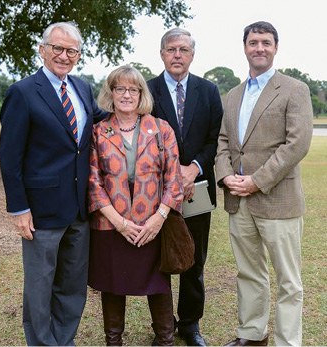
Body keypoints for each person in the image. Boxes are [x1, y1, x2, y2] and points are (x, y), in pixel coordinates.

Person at [0, 22, 107, 345]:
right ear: (43, 49)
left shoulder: (83, 88)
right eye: (57, 48)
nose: (63, 55)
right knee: (40, 286)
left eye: (71, 50)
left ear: (78, 55)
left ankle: (64, 340)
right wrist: (19, 208)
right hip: (41, 210)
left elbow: (102, 120)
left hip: (78, 207)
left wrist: (139, 108)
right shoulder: (23, 92)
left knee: (72, 285)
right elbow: (10, 157)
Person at [215, 21, 313, 346]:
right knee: (248, 272)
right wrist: (226, 175)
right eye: (253, 42)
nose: (259, 48)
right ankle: (252, 335)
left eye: (266, 42)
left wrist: (256, 181)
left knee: (289, 281)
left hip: (278, 200)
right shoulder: (233, 95)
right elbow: (224, 140)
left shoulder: (294, 89)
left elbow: (296, 144)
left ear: (275, 48)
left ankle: (287, 342)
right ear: (244, 47)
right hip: (238, 201)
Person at [88, 64, 183, 346]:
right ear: (111, 92)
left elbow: (174, 179)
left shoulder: (161, 129)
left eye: (133, 89)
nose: (126, 95)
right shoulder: (98, 132)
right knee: (113, 286)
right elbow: (93, 183)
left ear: (141, 94)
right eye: (120, 88)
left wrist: (158, 219)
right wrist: (120, 223)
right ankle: (113, 341)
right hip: (111, 224)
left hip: (152, 222)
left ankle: (165, 340)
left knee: (158, 285)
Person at [147, 28, 223, 346]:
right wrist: (171, 176)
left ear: (193, 54)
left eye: (183, 49)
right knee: (158, 258)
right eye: (171, 49)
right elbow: (141, 139)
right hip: (155, 191)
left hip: (197, 190)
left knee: (194, 259)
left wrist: (192, 170)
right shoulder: (147, 91)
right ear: (161, 54)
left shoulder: (208, 91)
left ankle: (190, 325)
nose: (177, 55)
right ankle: (164, 326)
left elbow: (214, 139)